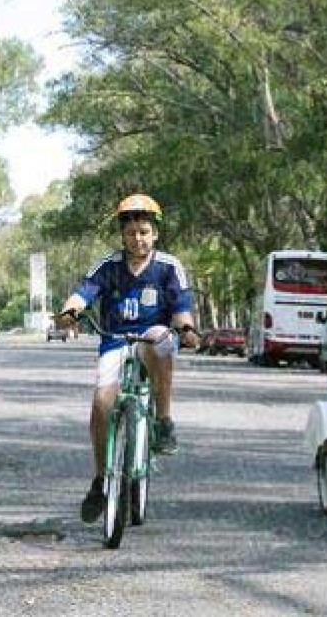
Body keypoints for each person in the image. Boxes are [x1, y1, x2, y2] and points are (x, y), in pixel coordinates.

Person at [54, 193, 200, 523]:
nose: (138, 239)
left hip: (152, 336)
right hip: (115, 340)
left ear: (155, 234)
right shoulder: (109, 266)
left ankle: (163, 422)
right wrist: (69, 310)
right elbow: (84, 292)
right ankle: (101, 480)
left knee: (160, 341)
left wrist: (187, 329)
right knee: (102, 404)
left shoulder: (168, 267)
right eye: (132, 232)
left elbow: (180, 308)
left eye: (144, 232)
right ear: (123, 235)